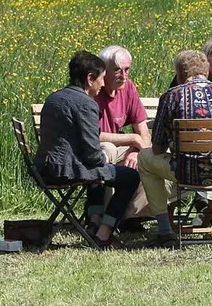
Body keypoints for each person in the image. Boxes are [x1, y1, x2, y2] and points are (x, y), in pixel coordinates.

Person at [34, 51, 140, 249]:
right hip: (65, 171)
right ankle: (104, 233)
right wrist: (107, 164)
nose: (101, 85)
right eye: (100, 79)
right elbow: (92, 155)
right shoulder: (86, 104)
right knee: (130, 177)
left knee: (101, 170)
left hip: (44, 169)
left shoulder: (54, 98)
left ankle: (94, 222)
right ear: (90, 78)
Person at [138, 50, 212, 247]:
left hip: (187, 174)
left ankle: (164, 230)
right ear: (206, 71)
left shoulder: (171, 96)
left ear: (179, 74)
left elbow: (157, 149)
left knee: (144, 159)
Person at [95, 45, 152, 222]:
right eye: (118, 71)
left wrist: (136, 151)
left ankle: (128, 216)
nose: (124, 76)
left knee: (157, 157)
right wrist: (133, 139)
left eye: (127, 70)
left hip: (122, 150)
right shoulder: (94, 90)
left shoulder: (129, 88)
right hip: (97, 151)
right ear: (103, 71)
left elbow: (144, 134)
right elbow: (92, 136)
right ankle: (104, 218)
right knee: (107, 149)